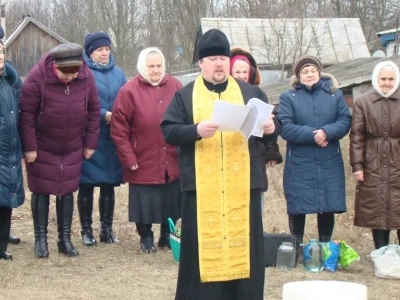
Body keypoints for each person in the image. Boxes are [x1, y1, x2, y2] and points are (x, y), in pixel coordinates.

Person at [161, 29, 280, 300]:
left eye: (223, 58)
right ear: (200, 63)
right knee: (201, 252)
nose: (219, 63)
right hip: (202, 190)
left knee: (246, 249)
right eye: (212, 58)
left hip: (243, 187)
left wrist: (273, 126)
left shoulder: (250, 92)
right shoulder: (186, 95)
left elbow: (273, 125)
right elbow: (169, 130)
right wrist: (196, 130)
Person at [19, 43, 100, 258]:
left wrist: (91, 142)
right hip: (42, 145)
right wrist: (30, 147)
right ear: (55, 65)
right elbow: (26, 115)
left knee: (67, 190)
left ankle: (64, 239)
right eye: (65, 72)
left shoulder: (86, 77)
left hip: (72, 144)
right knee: (41, 190)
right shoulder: (37, 77)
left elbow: (93, 110)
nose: (70, 77)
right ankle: (41, 240)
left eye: (74, 72)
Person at [111, 47, 182, 253]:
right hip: (142, 156)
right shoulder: (129, 91)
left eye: (159, 65)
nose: (155, 70)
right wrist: (128, 156)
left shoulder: (175, 85)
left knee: (171, 200)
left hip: (171, 156)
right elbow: (118, 129)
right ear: (143, 66)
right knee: (144, 201)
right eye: (151, 66)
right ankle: (146, 237)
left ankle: (168, 235)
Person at [278, 55, 351, 248]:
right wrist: (314, 135)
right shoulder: (288, 97)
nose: (309, 74)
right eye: (304, 71)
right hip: (299, 161)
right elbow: (285, 126)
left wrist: (327, 132)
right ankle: (296, 245)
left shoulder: (335, 94)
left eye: (312, 70)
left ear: (319, 72)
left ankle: (325, 246)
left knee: (327, 203)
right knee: (297, 204)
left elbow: (344, 120)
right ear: (298, 76)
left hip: (328, 158)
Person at [77, 32, 127, 246]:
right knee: (86, 184)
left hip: (113, 136)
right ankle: (86, 230)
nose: (104, 53)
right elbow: (79, 101)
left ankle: (106, 229)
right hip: (90, 135)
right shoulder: (82, 72)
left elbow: (127, 99)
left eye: (107, 49)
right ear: (90, 52)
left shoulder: (119, 74)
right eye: (99, 50)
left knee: (109, 184)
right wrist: (102, 114)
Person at [350, 60, 400, 249]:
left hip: (397, 160)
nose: (387, 83)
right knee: (377, 207)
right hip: (373, 161)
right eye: (383, 79)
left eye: (391, 79)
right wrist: (357, 165)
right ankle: (381, 252)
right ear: (376, 79)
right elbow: (357, 135)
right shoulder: (363, 102)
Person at [229, 47, 282, 218]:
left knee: (255, 203)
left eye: (245, 71)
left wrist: (272, 148)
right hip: (230, 154)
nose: (242, 75)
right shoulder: (224, 94)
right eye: (237, 71)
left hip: (254, 155)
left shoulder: (259, 94)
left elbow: (270, 121)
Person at [0, 39, 25, 260]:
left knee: (6, 198)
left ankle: (2, 244)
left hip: (9, 150)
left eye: (1, 51)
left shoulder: (10, 83)